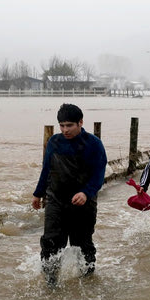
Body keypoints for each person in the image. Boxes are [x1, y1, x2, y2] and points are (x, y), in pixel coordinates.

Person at [32, 103, 107, 286]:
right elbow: (47, 169)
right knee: (50, 243)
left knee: (82, 245)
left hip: (83, 203)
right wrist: (38, 193)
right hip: (56, 200)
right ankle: (50, 285)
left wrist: (86, 193)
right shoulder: (54, 142)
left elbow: (99, 174)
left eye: (69, 125)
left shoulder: (93, 144)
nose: (65, 130)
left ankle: (88, 282)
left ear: (80, 122)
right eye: (62, 126)